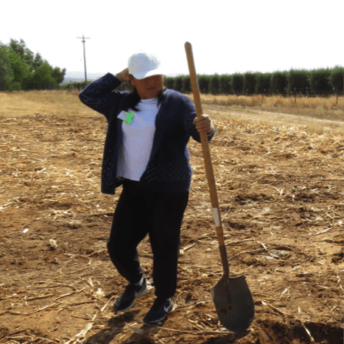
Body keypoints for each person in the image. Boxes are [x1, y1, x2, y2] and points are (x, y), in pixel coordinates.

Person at [78, 52, 216, 325]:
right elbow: (88, 95)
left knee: (164, 246)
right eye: (143, 76)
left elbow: (198, 131)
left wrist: (206, 127)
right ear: (131, 79)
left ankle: (164, 297)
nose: (152, 81)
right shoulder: (120, 103)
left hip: (170, 189)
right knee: (118, 244)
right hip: (134, 187)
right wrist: (118, 75)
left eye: (156, 74)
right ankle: (137, 281)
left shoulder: (178, 103)